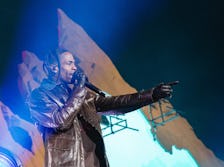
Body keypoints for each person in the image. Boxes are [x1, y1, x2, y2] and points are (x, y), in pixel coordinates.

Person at [28, 49, 178, 167]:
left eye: (74, 63)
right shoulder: (39, 96)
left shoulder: (81, 94)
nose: (75, 67)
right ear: (54, 68)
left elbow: (115, 103)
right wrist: (79, 90)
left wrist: (151, 95)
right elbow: (60, 121)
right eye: (69, 63)